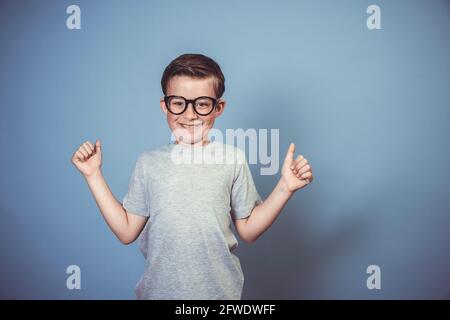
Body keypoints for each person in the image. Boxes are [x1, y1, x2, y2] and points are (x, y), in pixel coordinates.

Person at [71, 53, 314, 299]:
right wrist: (93, 175)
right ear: (164, 105)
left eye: (202, 103)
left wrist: (285, 187)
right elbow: (126, 231)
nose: (190, 115)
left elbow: (249, 230)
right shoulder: (148, 163)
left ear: (218, 107)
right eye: (178, 103)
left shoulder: (232, 159)